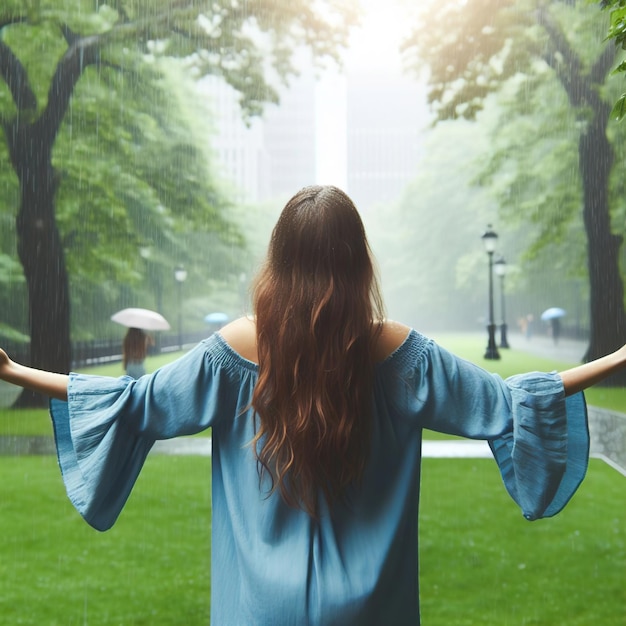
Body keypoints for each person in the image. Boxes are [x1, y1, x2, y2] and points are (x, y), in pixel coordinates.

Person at [0, 184, 625, 625]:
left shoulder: (234, 351)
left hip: (258, 612)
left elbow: (130, 406)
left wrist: (16, 371)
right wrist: (619, 358)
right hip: (370, 611)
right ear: (357, 262)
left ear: (280, 255)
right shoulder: (402, 354)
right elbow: (515, 402)